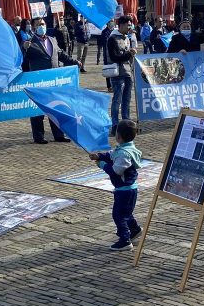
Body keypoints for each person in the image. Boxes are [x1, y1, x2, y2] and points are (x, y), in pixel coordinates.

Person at [88, 119, 143, 251]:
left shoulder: (124, 153)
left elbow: (116, 171)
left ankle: (125, 240)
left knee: (118, 215)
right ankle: (135, 229)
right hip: (127, 189)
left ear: (118, 136)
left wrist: (102, 165)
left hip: (125, 190)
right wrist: (99, 157)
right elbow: (111, 155)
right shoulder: (125, 148)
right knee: (126, 212)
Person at [24, 17, 80, 144]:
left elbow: (61, 55)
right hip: (38, 82)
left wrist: (75, 62)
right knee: (38, 109)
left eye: (42, 24)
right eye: (38, 25)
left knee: (56, 107)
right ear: (33, 28)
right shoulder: (29, 42)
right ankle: (39, 136)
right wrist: (25, 48)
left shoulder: (52, 40)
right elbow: (22, 60)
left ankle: (58, 134)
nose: (41, 26)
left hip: (54, 81)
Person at [106, 16, 136, 135]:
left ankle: (126, 123)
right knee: (117, 100)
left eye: (130, 25)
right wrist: (129, 54)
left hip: (128, 73)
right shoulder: (112, 39)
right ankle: (115, 124)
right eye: (128, 25)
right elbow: (114, 57)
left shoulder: (127, 38)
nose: (129, 27)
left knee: (127, 100)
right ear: (121, 25)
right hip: (118, 73)